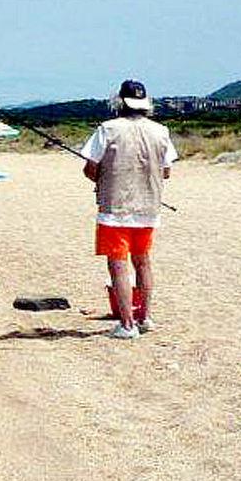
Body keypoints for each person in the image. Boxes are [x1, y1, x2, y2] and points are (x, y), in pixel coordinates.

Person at [80, 79, 178, 338]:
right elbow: (166, 171)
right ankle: (145, 318)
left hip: (115, 209)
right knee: (143, 262)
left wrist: (105, 177)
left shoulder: (107, 129)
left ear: (120, 102)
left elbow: (90, 169)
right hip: (149, 208)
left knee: (119, 265)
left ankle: (127, 324)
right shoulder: (162, 131)